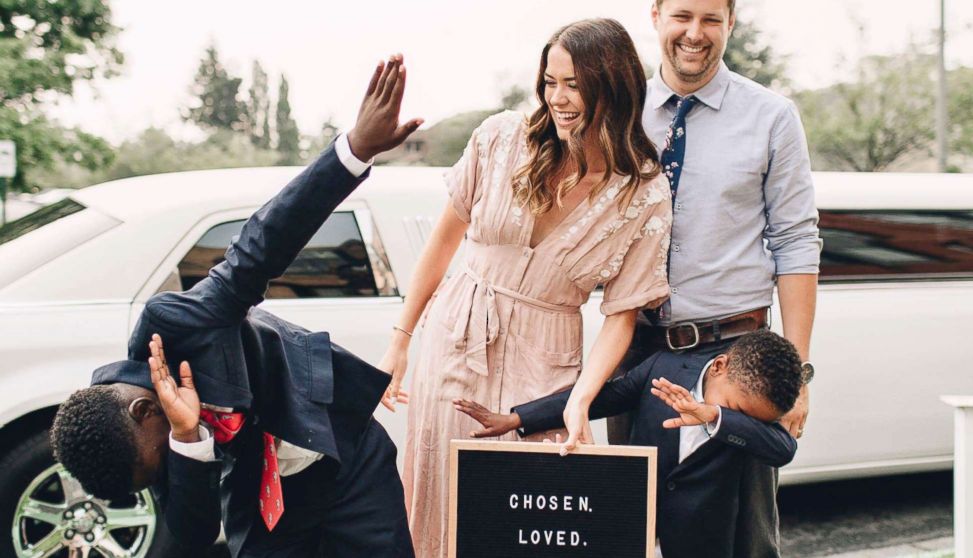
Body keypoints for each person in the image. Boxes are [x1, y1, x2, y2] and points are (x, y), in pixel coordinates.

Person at [50, 56, 422, 558]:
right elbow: (194, 529)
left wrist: (353, 151)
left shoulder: (174, 328)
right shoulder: (139, 442)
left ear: (143, 410)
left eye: (161, 459)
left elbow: (260, 245)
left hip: (339, 451)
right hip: (262, 496)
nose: (165, 472)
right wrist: (183, 437)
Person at [377, 19, 672, 557]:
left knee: (530, 519)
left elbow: (621, 314)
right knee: (442, 499)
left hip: (547, 364)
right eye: (549, 82)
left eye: (574, 85)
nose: (557, 98)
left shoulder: (643, 189)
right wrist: (401, 338)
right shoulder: (501, 138)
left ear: (614, 84)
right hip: (456, 342)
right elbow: (443, 245)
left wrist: (581, 399)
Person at [608, 0, 821, 554]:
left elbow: (797, 242)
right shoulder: (621, 112)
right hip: (634, 351)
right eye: (682, 16)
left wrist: (796, 377)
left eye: (711, 19)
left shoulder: (772, 115)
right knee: (623, 528)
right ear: (654, 15)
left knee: (737, 542)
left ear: (731, 22)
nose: (694, 34)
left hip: (734, 359)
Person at [454, 329, 803, 558]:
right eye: (736, 409)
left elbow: (783, 449)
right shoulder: (664, 369)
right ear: (720, 367)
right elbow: (606, 397)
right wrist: (518, 418)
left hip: (708, 543)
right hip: (644, 528)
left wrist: (716, 415)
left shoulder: (749, 427)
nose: (743, 419)